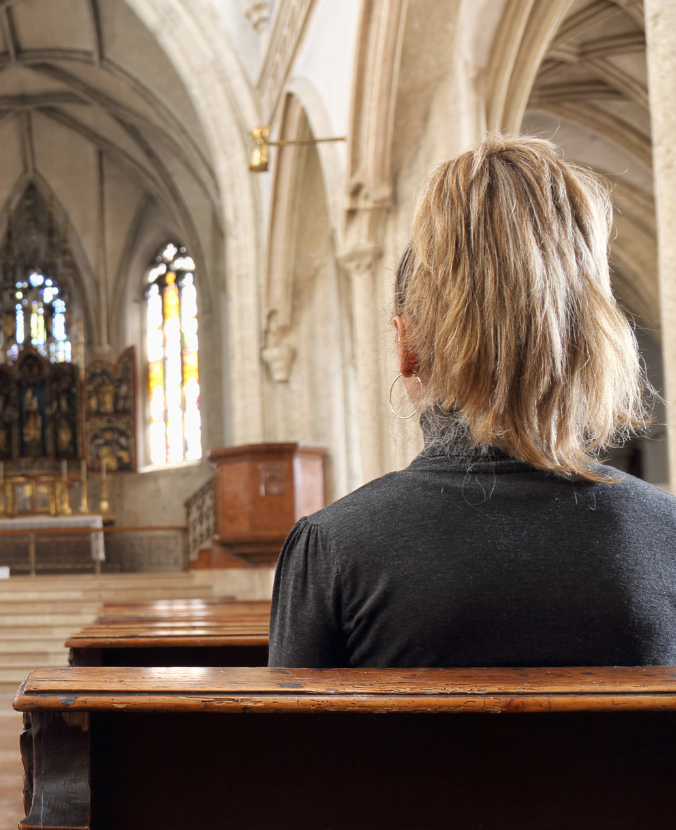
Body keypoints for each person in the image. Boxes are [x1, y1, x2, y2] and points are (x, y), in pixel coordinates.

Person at [269, 133, 676, 668]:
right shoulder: (667, 538)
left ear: (406, 344)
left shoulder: (333, 550)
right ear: (588, 338)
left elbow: (290, 752)